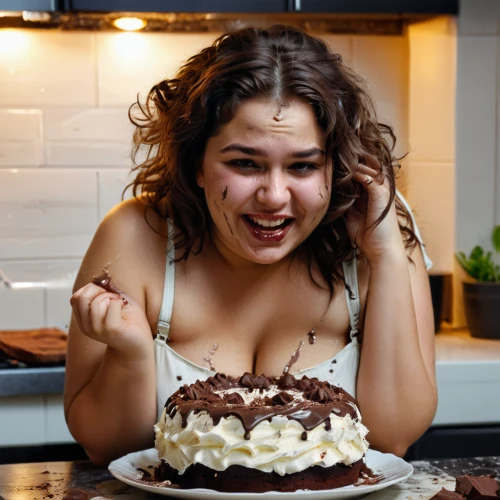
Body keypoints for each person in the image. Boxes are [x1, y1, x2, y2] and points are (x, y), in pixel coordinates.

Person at [64, 25, 437, 467]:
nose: (275, 195)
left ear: (334, 169)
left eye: (302, 166)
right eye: (245, 163)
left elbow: (393, 439)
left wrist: (386, 256)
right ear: (196, 163)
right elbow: (109, 450)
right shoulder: (134, 236)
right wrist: (129, 354)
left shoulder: (382, 236)